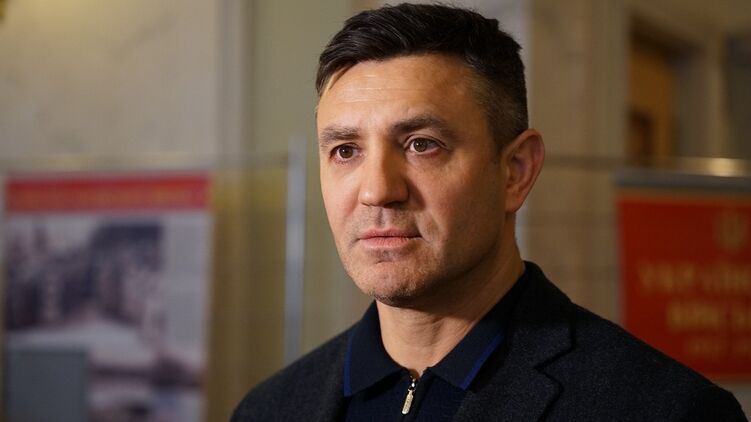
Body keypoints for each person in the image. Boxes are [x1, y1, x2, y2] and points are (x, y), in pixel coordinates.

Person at [232, 3, 746, 421]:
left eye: (421, 144)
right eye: (345, 150)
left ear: (515, 171)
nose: (377, 190)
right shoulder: (269, 409)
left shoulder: (663, 410)